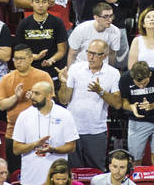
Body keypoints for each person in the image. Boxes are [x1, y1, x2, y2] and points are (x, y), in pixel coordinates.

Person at [56, 39, 120, 168]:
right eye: (89, 52)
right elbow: (64, 100)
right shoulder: (75, 69)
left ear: (105, 56)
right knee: (74, 172)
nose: (91, 57)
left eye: (96, 54)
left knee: (96, 172)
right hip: (72, 130)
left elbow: (117, 104)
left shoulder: (113, 73)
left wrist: (100, 91)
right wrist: (63, 83)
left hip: (96, 131)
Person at [12, 82, 79, 185]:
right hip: (30, 179)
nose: (32, 97)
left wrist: (53, 149)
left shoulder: (64, 115)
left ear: (48, 96)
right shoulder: (24, 116)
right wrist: (34, 144)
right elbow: (16, 149)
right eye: (32, 93)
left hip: (57, 180)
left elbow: (72, 147)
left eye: (37, 94)